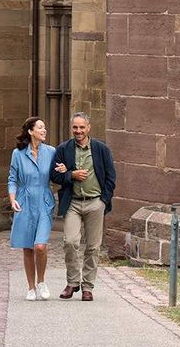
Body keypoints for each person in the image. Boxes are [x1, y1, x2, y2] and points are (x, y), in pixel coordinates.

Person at [50, 111, 116, 301]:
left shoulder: (101, 149)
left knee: (93, 247)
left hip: (95, 203)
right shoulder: (63, 149)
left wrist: (104, 200)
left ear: (88, 128)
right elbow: (54, 176)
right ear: (71, 128)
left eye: (81, 127)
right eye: (75, 127)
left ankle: (87, 287)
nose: (78, 131)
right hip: (73, 203)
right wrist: (71, 175)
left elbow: (111, 177)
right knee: (70, 242)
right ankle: (72, 283)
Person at [8, 117, 64, 301]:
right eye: (40, 127)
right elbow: (12, 178)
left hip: (44, 200)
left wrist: (64, 169)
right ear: (31, 131)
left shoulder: (51, 151)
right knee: (27, 247)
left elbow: (56, 174)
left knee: (40, 246)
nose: (44, 130)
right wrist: (13, 199)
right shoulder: (18, 153)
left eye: (45, 127)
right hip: (24, 200)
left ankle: (41, 281)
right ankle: (31, 287)